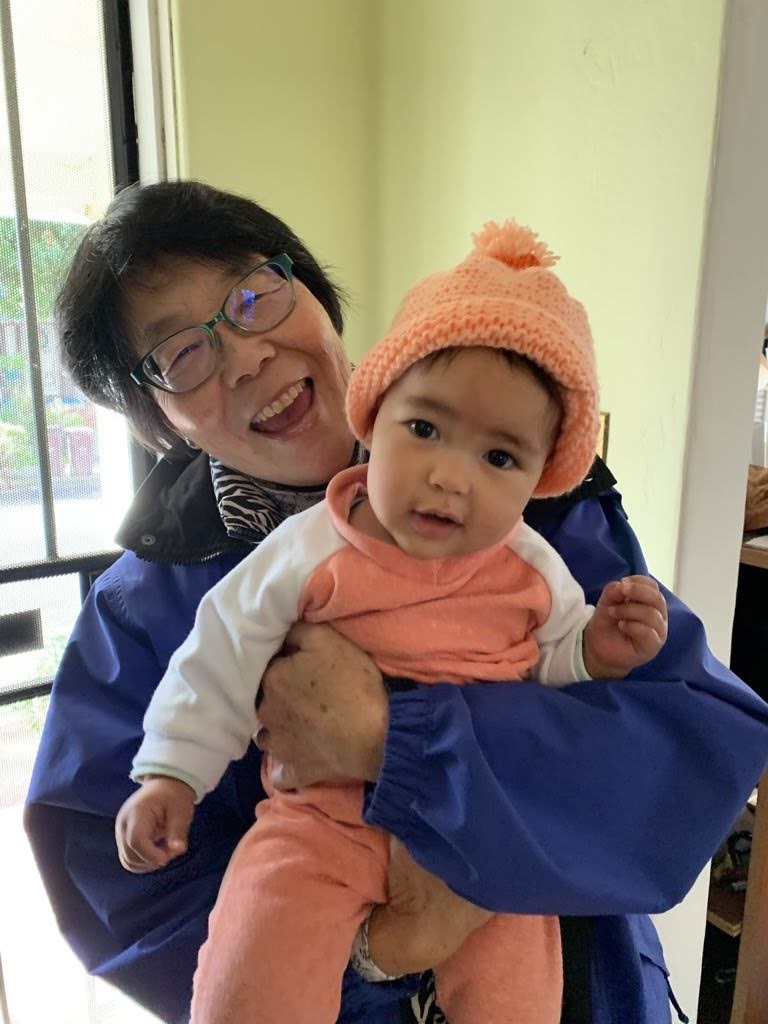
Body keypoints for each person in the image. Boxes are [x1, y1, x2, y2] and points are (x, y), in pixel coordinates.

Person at [23, 180, 768, 1024]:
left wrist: (395, 738)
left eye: (253, 295)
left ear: (312, 290)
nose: (246, 357)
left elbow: (682, 756)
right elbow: (132, 894)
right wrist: (378, 958)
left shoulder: (538, 505)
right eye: (182, 354)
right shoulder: (139, 615)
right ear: (154, 421)